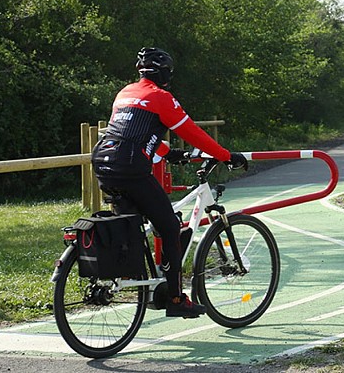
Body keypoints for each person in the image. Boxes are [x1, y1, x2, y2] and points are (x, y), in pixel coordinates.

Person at [92, 47, 248, 318]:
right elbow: (193, 133)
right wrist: (225, 156)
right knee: (170, 227)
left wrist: (167, 153)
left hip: (104, 164)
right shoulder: (161, 97)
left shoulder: (125, 93)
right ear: (164, 74)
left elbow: (132, 132)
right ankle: (176, 298)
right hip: (131, 169)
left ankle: (137, 281)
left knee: (131, 224)